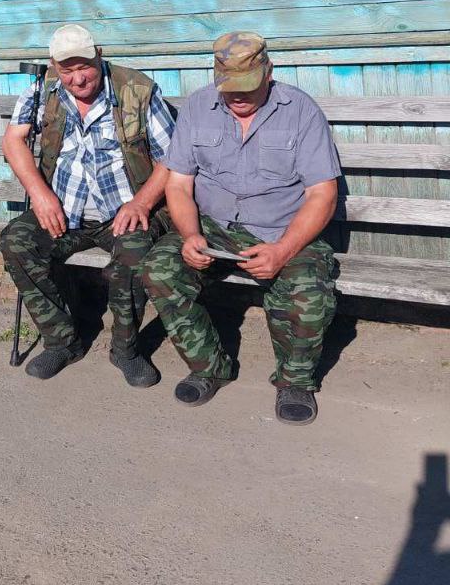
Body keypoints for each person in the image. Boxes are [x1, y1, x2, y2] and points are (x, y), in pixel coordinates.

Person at [139, 31, 340, 426]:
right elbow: (178, 183)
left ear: (269, 72)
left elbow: (323, 195)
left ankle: (295, 381)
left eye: (247, 87)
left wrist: (282, 250)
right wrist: (191, 234)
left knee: (308, 291)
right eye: (229, 88)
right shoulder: (198, 107)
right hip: (214, 226)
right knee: (160, 270)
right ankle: (209, 367)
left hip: (282, 229)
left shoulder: (300, 111)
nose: (238, 97)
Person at [0, 24, 174, 383]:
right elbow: (13, 141)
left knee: (135, 252)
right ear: (54, 67)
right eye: (67, 71)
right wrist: (40, 194)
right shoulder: (40, 91)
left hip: (123, 212)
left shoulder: (137, 90)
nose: (78, 79)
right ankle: (63, 341)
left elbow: (174, 158)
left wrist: (142, 204)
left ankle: (126, 350)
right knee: (17, 241)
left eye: (85, 68)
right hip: (64, 212)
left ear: (100, 56)